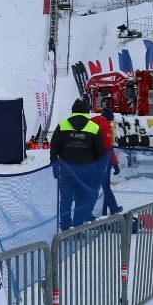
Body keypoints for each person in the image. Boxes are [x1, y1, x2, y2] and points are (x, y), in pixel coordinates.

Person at [50, 98, 107, 230]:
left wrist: (54, 165)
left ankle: (64, 229)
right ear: (88, 111)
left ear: (73, 110)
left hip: (66, 171)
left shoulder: (63, 125)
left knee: (65, 201)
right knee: (82, 201)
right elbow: (100, 153)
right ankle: (77, 228)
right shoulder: (94, 127)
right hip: (87, 172)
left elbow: (54, 147)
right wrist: (100, 171)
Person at [90, 105, 122, 215]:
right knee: (99, 187)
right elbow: (108, 147)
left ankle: (114, 208)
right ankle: (87, 211)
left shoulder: (91, 121)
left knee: (100, 185)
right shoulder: (105, 126)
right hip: (99, 163)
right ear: (109, 119)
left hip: (87, 161)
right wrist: (115, 163)